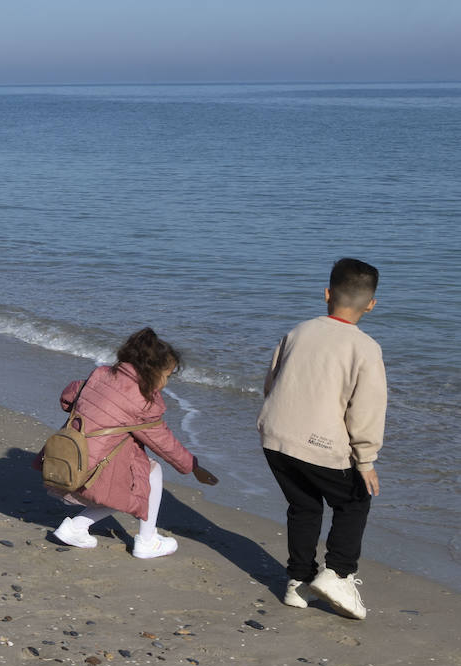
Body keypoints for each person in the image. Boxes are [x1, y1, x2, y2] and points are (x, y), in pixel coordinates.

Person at [259, 258, 386, 620]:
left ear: (327, 293)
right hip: (317, 444)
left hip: (276, 438)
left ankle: (298, 583)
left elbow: (271, 384)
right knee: (355, 499)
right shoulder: (365, 347)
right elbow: (367, 411)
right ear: (371, 304)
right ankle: (339, 574)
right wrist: (366, 461)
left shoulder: (297, 332)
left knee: (304, 506)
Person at [48, 328, 218, 558]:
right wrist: (193, 467)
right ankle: (147, 541)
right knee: (147, 475)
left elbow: (68, 396)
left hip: (68, 456)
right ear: (152, 370)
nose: (166, 382)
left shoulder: (101, 374)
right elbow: (164, 443)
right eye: (167, 375)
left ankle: (76, 527)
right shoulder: (143, 402)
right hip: (93, 468)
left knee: (127, 483)